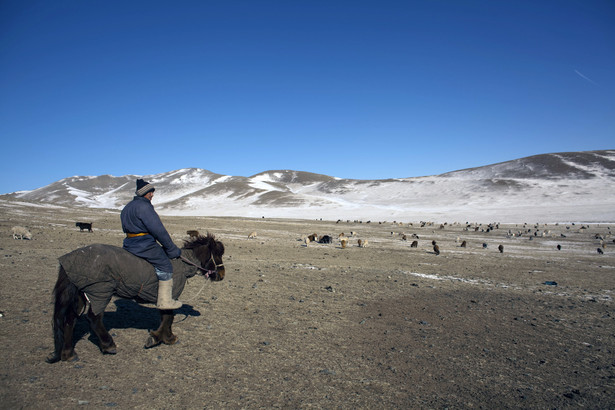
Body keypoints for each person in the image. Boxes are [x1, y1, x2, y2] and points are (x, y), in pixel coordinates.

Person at [120, 179, 182, 309]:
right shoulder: (144, 207)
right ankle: (165, 301)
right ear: (144, 193)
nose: (152, 195)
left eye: (152, 192)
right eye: (150, 192)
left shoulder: (127, 207)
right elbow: (159, 231)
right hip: (144, 245)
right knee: (165, 265)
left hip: (129, 243)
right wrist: (172, 249)